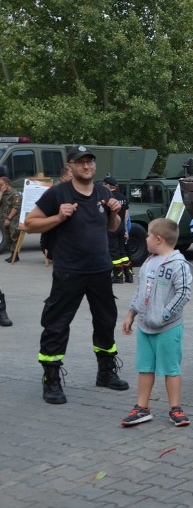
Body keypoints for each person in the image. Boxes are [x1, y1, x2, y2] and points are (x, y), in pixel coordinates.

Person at [25, 145, 128, 404]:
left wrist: (115, 212)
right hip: (69, 271)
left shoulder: (103, 192)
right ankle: (51, 380)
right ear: (70, 166)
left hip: (101, 270)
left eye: (90, 162)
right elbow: (30, 223)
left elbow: (112, 228)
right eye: (80, 162)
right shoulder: (58, 193)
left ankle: (105, 373)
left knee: (105, 321)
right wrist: (59, 217)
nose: (86, 166)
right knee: (57, 324)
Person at [120, 219, 193, 427]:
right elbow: (140, 289)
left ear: (158, 239)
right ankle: (142, 408)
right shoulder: (147, 262)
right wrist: (131, 313)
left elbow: (184, 294)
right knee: (145, 367)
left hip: (168, 328)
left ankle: (175, 409)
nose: (145, 239)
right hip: (145, 327)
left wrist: (165, 315)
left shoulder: (178, 264)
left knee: (171, 368)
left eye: (148, 235)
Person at [102, 176, 132, 283]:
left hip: (112, 227)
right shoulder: (123, 197)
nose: (102, 186)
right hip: (122, 228)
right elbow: (126, 215)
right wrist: (126, 229)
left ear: (107, 185)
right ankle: (129, 275)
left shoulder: (109, 197)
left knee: (114, 252)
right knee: (123, 251)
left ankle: (118, 276)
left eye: (103, 184)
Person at [42, 165, 73, 262]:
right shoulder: (57, 190)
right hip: (56, 223)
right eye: (70, 176)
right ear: (63, 177)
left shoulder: (67, 188)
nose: (72, 178)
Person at [0, 176, 22, 261]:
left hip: (13, 219)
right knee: (7, 236)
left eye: (1, 184)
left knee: (14, 236)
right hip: (4, 218)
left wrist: (9, 219)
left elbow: (15, 208)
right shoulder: (2, 193)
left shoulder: (14, 193)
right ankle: (13, 255)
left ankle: (15, 255)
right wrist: (1, 192)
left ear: (7, 183)